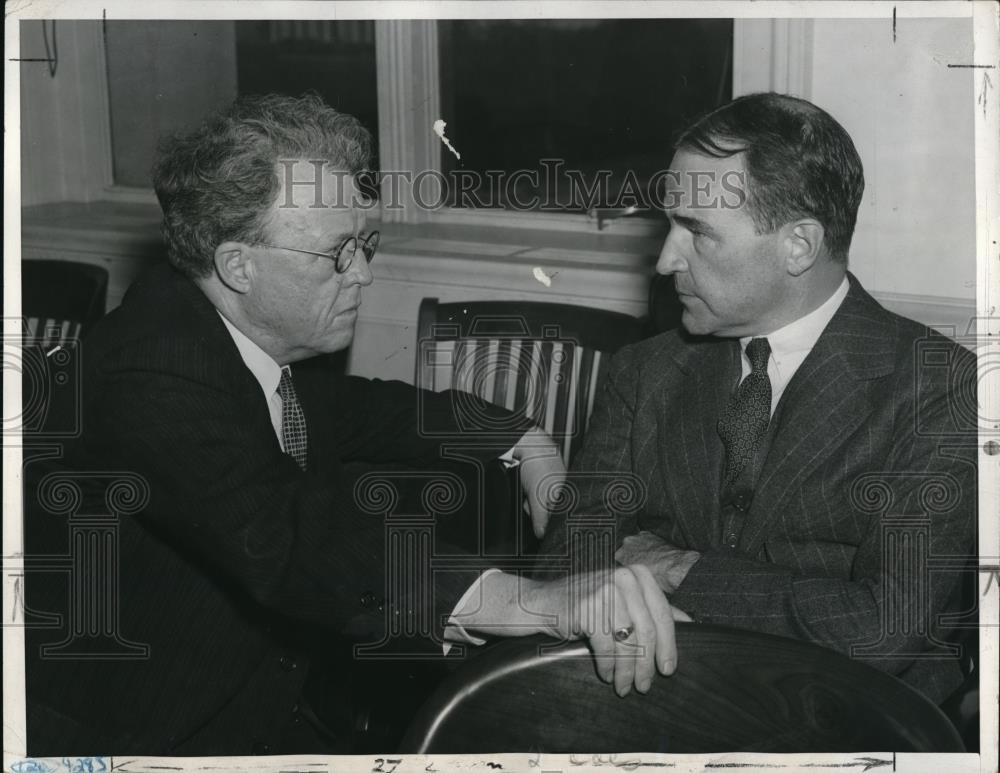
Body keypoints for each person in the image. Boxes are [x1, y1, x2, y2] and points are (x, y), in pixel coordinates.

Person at [24, 94, 681, 756]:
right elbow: (295, 536)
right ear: (238, 265)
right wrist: (538, 601)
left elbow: (366, 409)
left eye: (365, 244)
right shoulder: (151, 372)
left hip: (245, 705)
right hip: (119, 736)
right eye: (338, 253)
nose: (363, 275)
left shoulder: (232, 340)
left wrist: (520, 437)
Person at [537, 92, 978, 707]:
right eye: (671, 224)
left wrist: (678, 569)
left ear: (798, 245)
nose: (666, 260)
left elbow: (883, 628)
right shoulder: (644, 370)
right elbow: (564, 562)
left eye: (698, 232)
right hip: (654, 698)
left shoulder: (940, 387)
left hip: (851, 717)